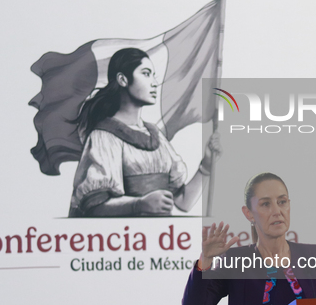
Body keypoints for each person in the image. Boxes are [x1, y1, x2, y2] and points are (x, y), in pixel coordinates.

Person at [182, 172, 316, 305]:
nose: (277, 211)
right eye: (265, 204)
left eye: (282, 202)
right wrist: (205, 261)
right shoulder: (235, 260)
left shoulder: (313, 255)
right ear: (249, 213)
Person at [69, 48, 219, 217]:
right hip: (125, 239)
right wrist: (139, 205)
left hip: (162, 238)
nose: (154, 82)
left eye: (153, 75)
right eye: (146, 74)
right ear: (123, 79)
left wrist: (206, 164)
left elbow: (183, 202)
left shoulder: (156, 136)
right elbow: (94, 208)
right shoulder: (104, 136)